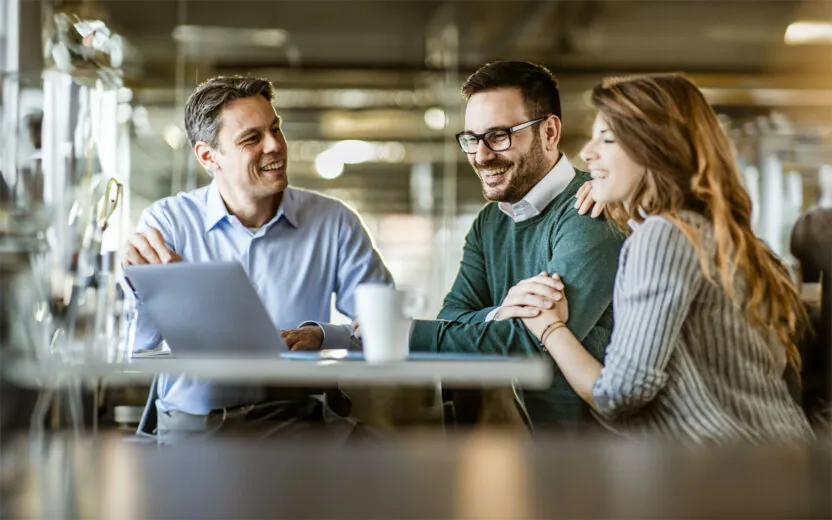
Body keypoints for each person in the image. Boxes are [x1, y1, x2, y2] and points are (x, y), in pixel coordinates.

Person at [520, 74, 814, 443]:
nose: (588, 153)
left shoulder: (664, 237)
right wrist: (616, 194)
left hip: (738, 478)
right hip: (781, 463)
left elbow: (618, 396)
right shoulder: (722, 237)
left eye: (608, 139)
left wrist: (549, 326)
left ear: (656, 148)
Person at [123, 76, 393, 440]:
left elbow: (385, 328)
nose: (275, 146)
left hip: (299, 421)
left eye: (276, 129)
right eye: (252, 138)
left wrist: (321, 336)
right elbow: (138, 344)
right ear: (208, 156)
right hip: (194, 426)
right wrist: (136, 287)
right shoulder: (168, 223)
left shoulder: (334, 223)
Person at [408, 61, 624, 430]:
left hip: (593, 455)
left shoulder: (594, 209)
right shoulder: (488, 223)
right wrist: (502, 311)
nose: (481, 155)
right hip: (519, 449)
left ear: (550, 133)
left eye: (499, 136)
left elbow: (528, 342)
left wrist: (403, 334)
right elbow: (452, 317)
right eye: (472, 139)